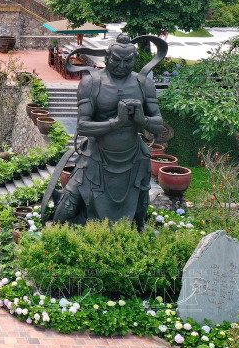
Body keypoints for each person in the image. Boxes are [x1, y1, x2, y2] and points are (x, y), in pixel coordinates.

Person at [52, 34, 165, 231]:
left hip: (133, 157)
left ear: (135, 60)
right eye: (117, 60)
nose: (122, 65)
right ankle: (54, 233)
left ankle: (135, 235)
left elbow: (158, 125)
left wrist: (142, 120)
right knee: (69, 202)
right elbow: (83, 127)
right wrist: (117, 122)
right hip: (96, 156)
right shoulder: (91, 83)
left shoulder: (143, 84)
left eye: (128, 61)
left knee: (140, 208)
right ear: (107, 58)